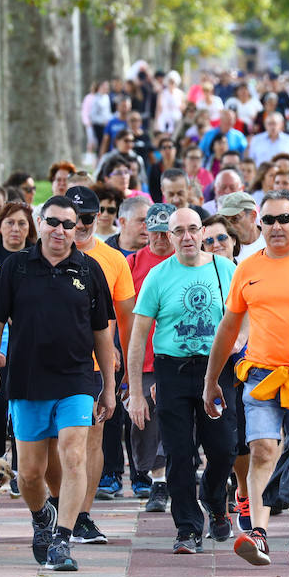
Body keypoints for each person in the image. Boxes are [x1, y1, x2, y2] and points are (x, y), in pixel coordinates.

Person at [201, 191, 289, 567]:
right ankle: (258, 533)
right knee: (262, 449)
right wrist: (211, 379)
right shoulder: (246, 268)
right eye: (269, 220)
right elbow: (229, 327)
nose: (276, 227)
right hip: (260, 375)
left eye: (284, 219)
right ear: (257, 224)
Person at [0, 196, 117, 572]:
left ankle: (62, 539)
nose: (60, 230)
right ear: (39, 223)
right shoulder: (17, 267)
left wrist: (108, 384)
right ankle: (43, 517)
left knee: (73, 455)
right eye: (53, 222)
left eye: (68, 224)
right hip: (26, 381)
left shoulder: (89, 270)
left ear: (78, 229)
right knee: (29, 474)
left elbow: (102, 333)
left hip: (76, 379)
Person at [126, 207, 238, 553]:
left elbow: (243, 315)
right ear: (169, 236)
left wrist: (242, 341)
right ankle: (187, 527)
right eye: (179, 232)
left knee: (222, 448)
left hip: (217, 369)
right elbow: (138, 336)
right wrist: (136, 393)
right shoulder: (158, 276)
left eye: (193, 230)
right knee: (179, 452)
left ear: (203, 232)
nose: (187, 237)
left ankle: (215, 500)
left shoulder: (226, 269)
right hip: (172, 370)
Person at [69, 187, 136, 543]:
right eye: (72, 218)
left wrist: (126, 367)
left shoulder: (113, 260)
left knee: (90, 441)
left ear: (99, 218)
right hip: (47, 365)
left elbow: (126, 319)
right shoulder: (40, 256)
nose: (79, 225)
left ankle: (81, 515)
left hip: (95, 364)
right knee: (56, 444)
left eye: (87, 218)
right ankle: (54, 506)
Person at [0, 202, 36, 486]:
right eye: (10, 223)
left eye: (22, 223)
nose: (16, 228)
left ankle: (17, 466)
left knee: (22, 404)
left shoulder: (38, 258)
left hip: (29, 345)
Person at [125, 203, 178, 511]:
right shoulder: (132, 263)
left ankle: (165, 480)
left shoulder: (187, 262)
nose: (160, 239)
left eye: (165, 232)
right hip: (142, 355)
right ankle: (154, 477)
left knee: (175, 416)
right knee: (143, 420)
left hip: (177, 353)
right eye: (155, 232)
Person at [219, 191, 265, 256]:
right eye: (225, 220)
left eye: (235, 219)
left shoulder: (270, 241)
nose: (230, 226)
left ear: (253, 216)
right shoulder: (223, 248)